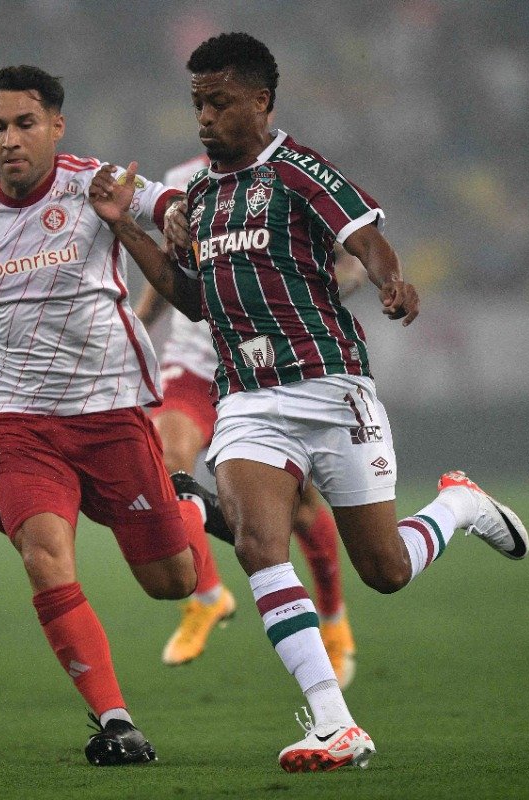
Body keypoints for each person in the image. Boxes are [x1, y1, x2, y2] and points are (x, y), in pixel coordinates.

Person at [86, 32, 529, 773]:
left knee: (384, 570)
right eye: (197, 103)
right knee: (261, 543)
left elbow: (364, 237)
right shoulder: (199, 197)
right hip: (249, 397)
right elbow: (193, 299)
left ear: (261, 102)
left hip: (330, 384)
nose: (204, 118)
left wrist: (391, 280)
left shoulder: (298, 170)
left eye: (219, 102)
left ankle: (457, 504)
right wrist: (126, 228)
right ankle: (334, 722)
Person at [0, 65, 222, 767]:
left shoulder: (94, 184)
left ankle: (188, 503)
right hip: (21, 424)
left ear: (55, 126)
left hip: (110, 416)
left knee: (174, 582)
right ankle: (116, 721)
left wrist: (164, 215)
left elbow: (172, 204)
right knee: (45, 557)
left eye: (24, 124)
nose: (9, 140)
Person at [139, 156, 363, 686]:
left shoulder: (288, 176)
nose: (212, 114)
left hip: (260, 365)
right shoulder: (179, 183)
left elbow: (351, 262)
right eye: (205, 102)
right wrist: (129, 327)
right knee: (166, 465)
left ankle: (333, 620)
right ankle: (208, 595)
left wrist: (311, 292)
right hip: (193, 364)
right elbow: (170, 278)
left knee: (302, 510)